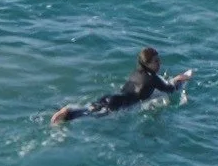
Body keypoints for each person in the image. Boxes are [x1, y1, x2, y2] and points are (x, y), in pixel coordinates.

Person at [52, 48, 193, 124]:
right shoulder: (152, 79)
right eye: (156, 61)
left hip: (113, 97)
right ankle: (69, 113)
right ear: (147, 64)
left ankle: (68, 112)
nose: (159, 63)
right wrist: (179, 79)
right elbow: (170, 89)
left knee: (90, 109)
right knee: (93, 116)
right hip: (120, 104)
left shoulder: (136, 72)